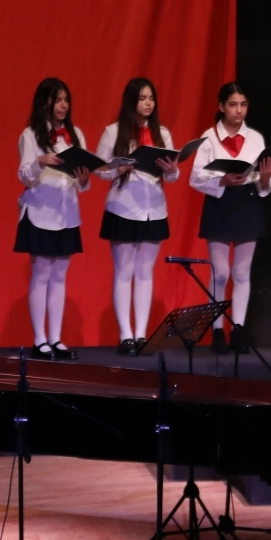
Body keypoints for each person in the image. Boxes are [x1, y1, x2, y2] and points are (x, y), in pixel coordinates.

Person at [94, 77, 179, 355]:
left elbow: (173, 175)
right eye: (142, 98)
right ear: (131, 101)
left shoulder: (161, 133)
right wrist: (116, 170)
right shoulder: (113, 132)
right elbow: (99, 170)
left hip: (153, 209)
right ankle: (125, 335)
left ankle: (142, 334)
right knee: (124, 271)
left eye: (151, 98)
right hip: (123, 207)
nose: (148, 103)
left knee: (145, 273)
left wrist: (171, 170)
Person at [191, 82, 271, 354]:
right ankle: (217, 330)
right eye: (233, 105)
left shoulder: (256, 138)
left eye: (243, 105)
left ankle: (237, 329)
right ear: (221, 107)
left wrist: (265, 179)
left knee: (241, 272)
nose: (239, 110)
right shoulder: (209, 137)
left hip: (248, 204)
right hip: (220, 203)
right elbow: (195, 178)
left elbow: (263, 185)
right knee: (220, 272)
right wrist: (222, 181)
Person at [15, 77, 88, 360]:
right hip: (39, 212)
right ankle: (40, 339)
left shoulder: (75, 134)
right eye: (57, 100)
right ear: (44, 102)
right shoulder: (31, 134)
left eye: (66, 100)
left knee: (60, 276)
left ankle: (56, 338)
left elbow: (81, 183)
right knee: (42, 274)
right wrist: (40, 162)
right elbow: (25, 177)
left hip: (66, 213)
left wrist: (83, 179)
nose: (63, 105)